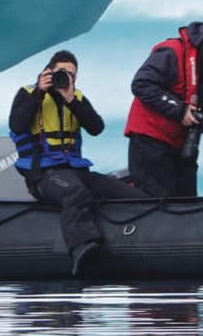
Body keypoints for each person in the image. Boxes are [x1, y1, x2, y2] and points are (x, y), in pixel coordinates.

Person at [9, 50, 147, 275]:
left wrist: (71, 99)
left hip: (75, 169)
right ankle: (82, 247)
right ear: (48, 72)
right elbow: (17, 124)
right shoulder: (28, 94)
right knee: (76, 192)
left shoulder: (76, 98)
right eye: (61, 73)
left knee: (132, 195)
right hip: (44, 174)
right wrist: (38, 94)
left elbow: (96, 127)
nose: (66, 78)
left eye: (72, 75)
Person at [125, 20, 203, 196]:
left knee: (187, 203)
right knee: (160, 203)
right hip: (151, 141)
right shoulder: (171, 52)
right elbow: (141, 84)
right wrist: (180, 111)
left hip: (181, 146)